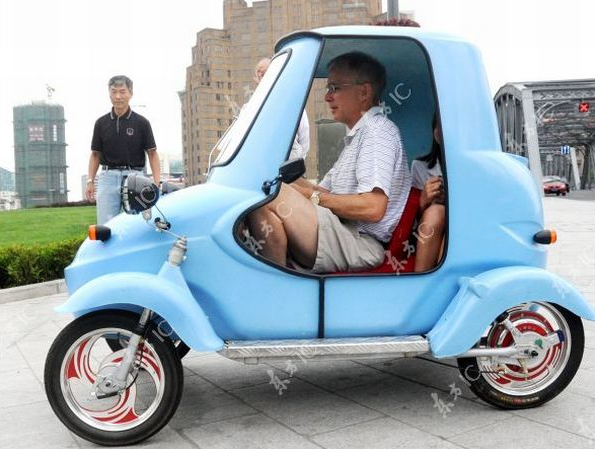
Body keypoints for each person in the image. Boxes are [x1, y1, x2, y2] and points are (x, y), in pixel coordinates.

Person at [247, 51, 411, 273]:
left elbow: (373, 207)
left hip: (360, 242)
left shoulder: (377, 132)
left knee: (267, 191)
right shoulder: (357, 137)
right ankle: (275, 277)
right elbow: (323, 191)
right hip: (343, 230)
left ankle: (275, 286)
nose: (327, 97)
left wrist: (311, 196)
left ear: (363, 92)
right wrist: (288, 180)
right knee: (264, 191)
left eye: (335, 88)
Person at [86, 75, 160, 224]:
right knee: (106, 226)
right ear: (109, 93)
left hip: (135, 178)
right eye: (113, 92)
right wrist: (90, 181)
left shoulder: (142, 123)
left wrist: (156, 183)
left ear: (130, 93)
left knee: (136, 225)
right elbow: (95, 155)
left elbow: (152, 154)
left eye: (122, 92)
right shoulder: (101, 123)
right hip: (107, 178)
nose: (118, 96)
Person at [254, 57, 310, 160]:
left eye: (265, 73)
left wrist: (297, 160)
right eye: (260, 74)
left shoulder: (292, 102)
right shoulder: (251, 107)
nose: (262, 76)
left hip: (289, 161)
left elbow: (304, 135)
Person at [411, 117, 445, 272]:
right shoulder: (420, 166)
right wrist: (424, 200)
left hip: (461, 225)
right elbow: (412, 218)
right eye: (438, 126)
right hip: (427, 228)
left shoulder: (472, 167)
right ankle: (420, 277)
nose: (442, 131)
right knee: (435, 211)